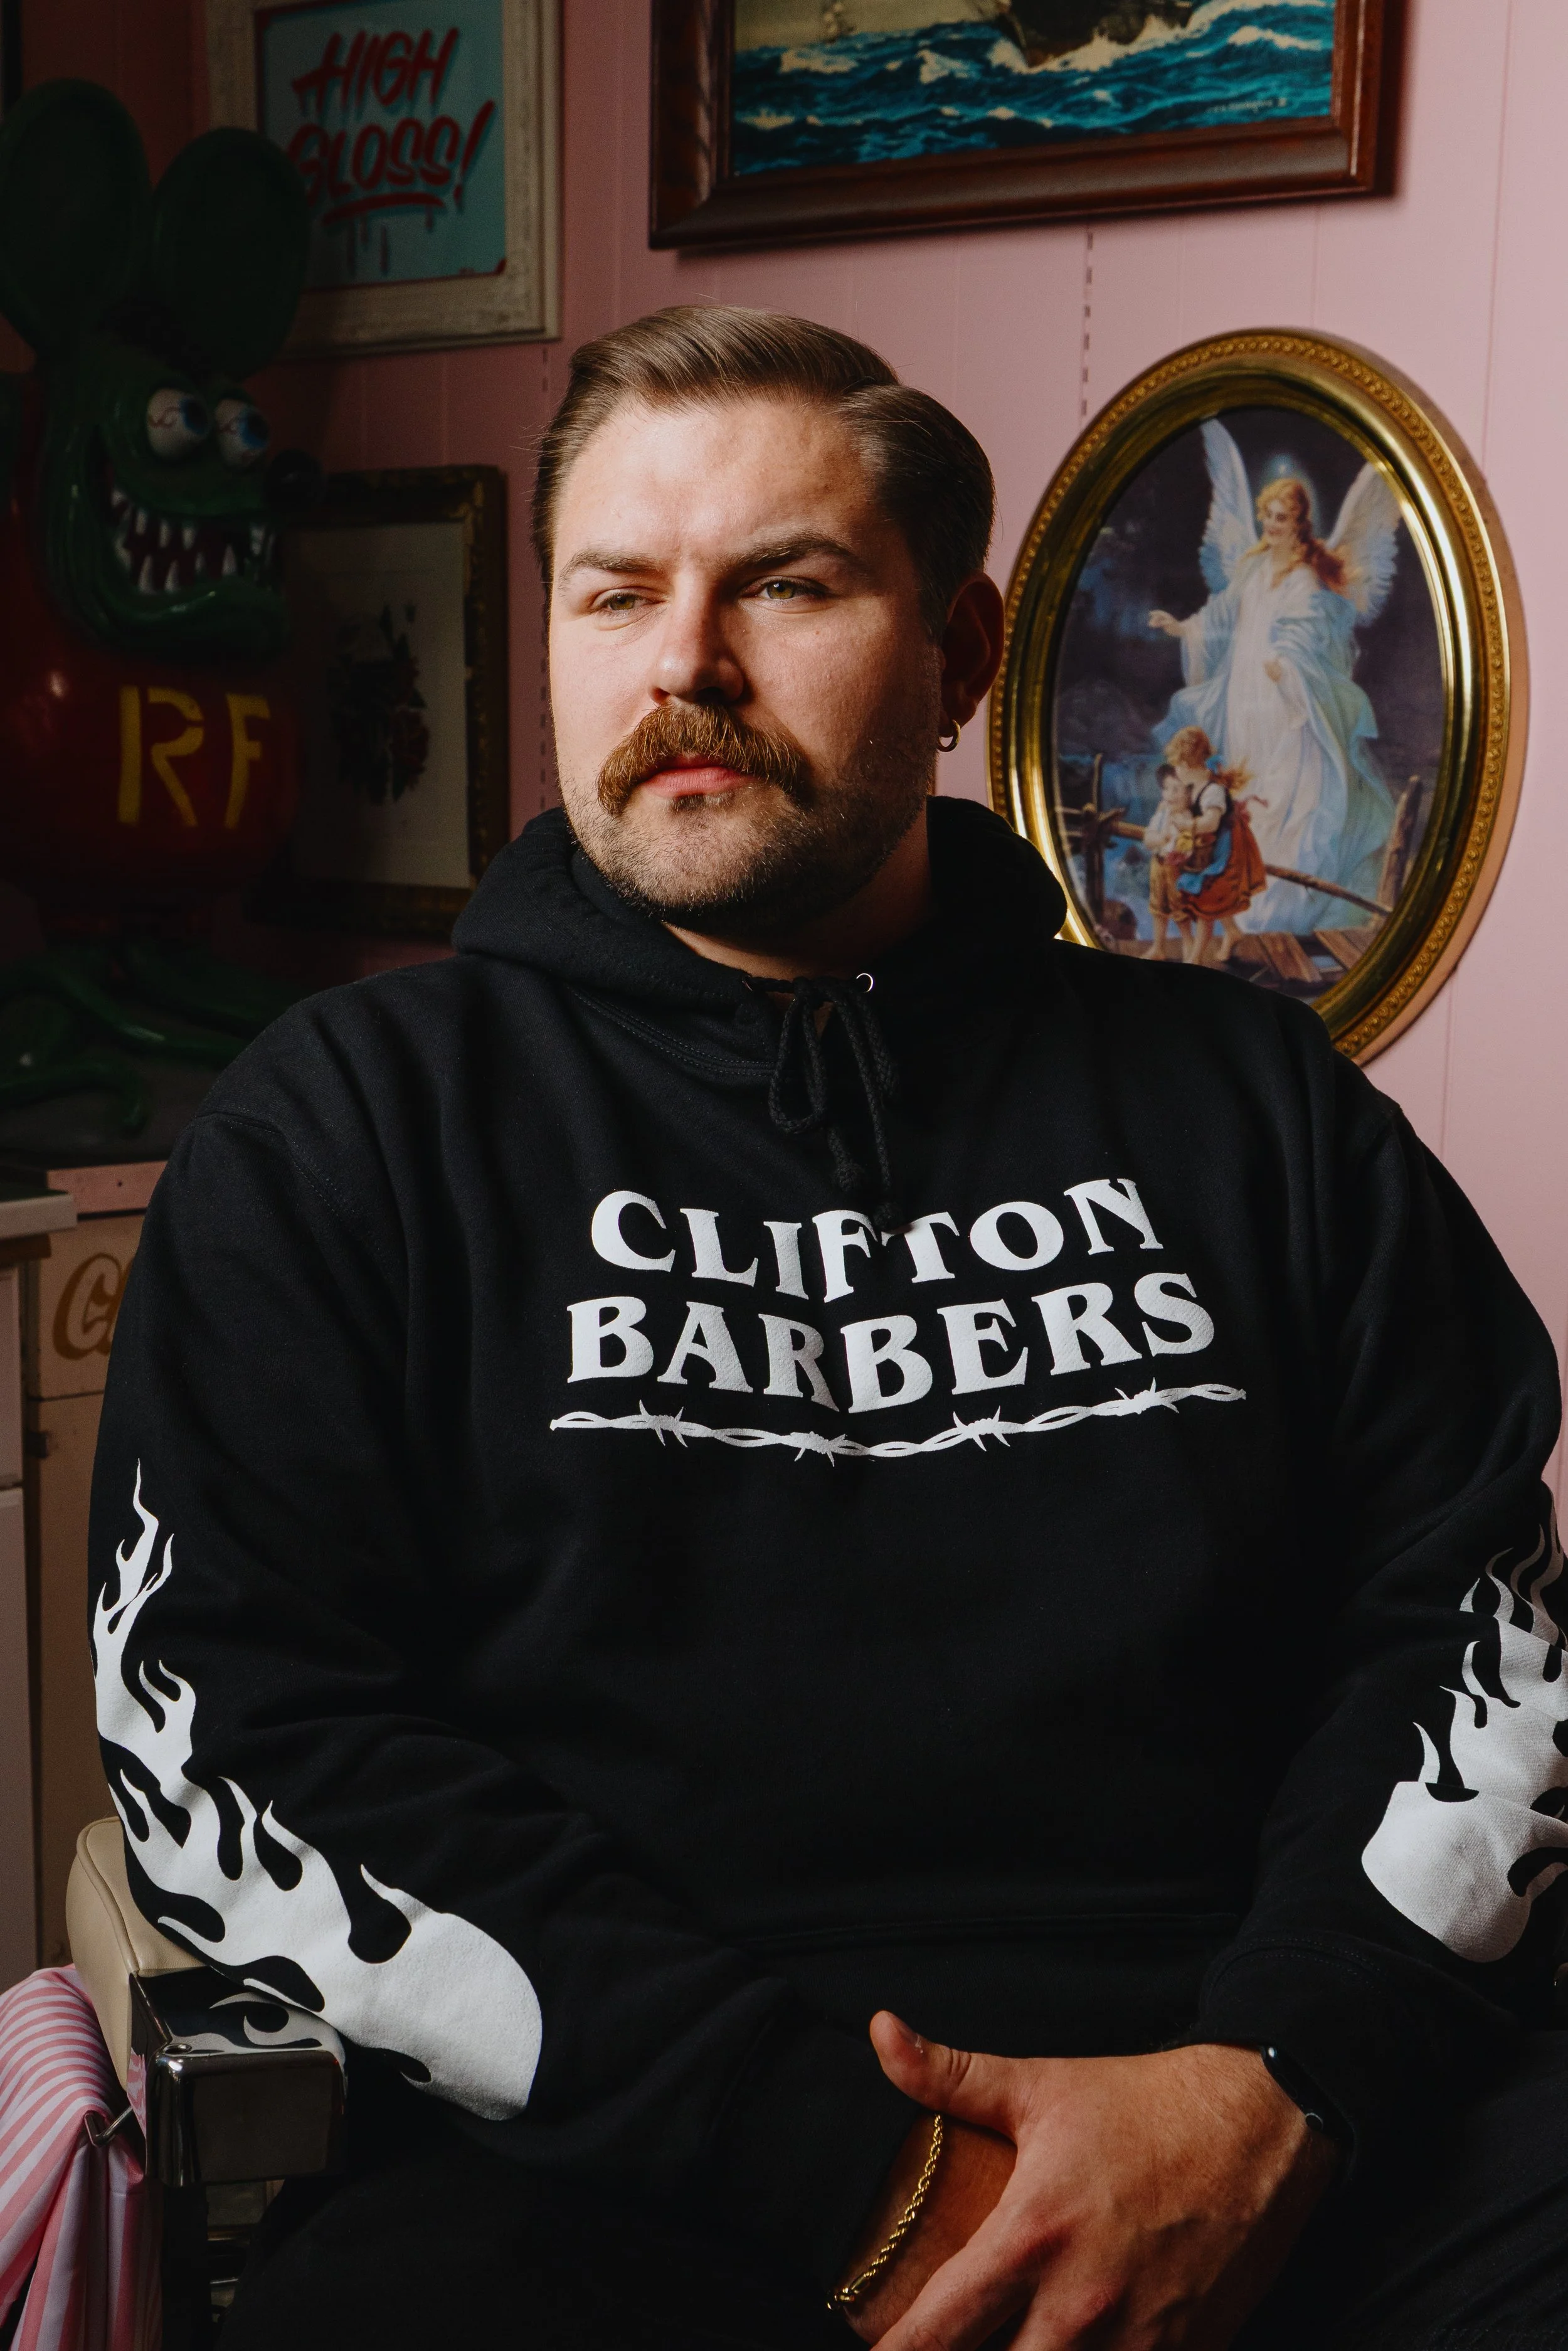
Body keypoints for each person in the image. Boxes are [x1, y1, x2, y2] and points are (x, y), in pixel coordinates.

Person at [87, 308, 1568, 2351]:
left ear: (959, 656)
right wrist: (876, 2179)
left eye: (783, 584)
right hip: (621, 2166)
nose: (682, 662)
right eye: (616, 592)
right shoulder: (342, 1130)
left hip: (1259, 2114)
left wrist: (1271, 2088)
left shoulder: (1259, 1106)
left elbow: (1472, 1626)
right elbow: (240, 1732)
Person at [1149, 445, 1396, 937]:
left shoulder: (1305, 578)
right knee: (1246, 787)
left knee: (1287, 791)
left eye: (1281, 518)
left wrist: (1286, 667)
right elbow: (1223, 615)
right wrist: (1184, 628)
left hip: (1286, 700)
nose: (1271, 525)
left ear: (1299, 523)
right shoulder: (1253, 569)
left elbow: (1311, 634)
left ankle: (1278, 904)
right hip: (1245, 697)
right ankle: (1239, 898)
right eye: (1267, 515)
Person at [1163, 725, 1267, 966]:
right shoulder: (1197, 787)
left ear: (1187, 765)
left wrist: (1188, 826)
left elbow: (1211, 823)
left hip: (1227, 851)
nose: (1177, 772)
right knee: (1214, 896)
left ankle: (1195, 959)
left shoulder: (1213, 791)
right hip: (1210, 849)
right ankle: (1232, 931)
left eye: (1178, 766)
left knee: (1207, 900)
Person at [1139, 762, 1197, 963]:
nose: (1170, 795)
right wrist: (1160, 838)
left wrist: (1180, 850)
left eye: (1176, 790)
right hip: (1158, 864)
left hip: (1176, 869)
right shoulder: (1162, 813)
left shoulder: (1187, 819)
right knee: (1158, 906)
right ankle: (1159, 947)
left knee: (1179, 908)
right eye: (1166, 789)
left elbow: (1187, 846)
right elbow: (1148, 839)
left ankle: (1189, 945)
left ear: (1189, 794)